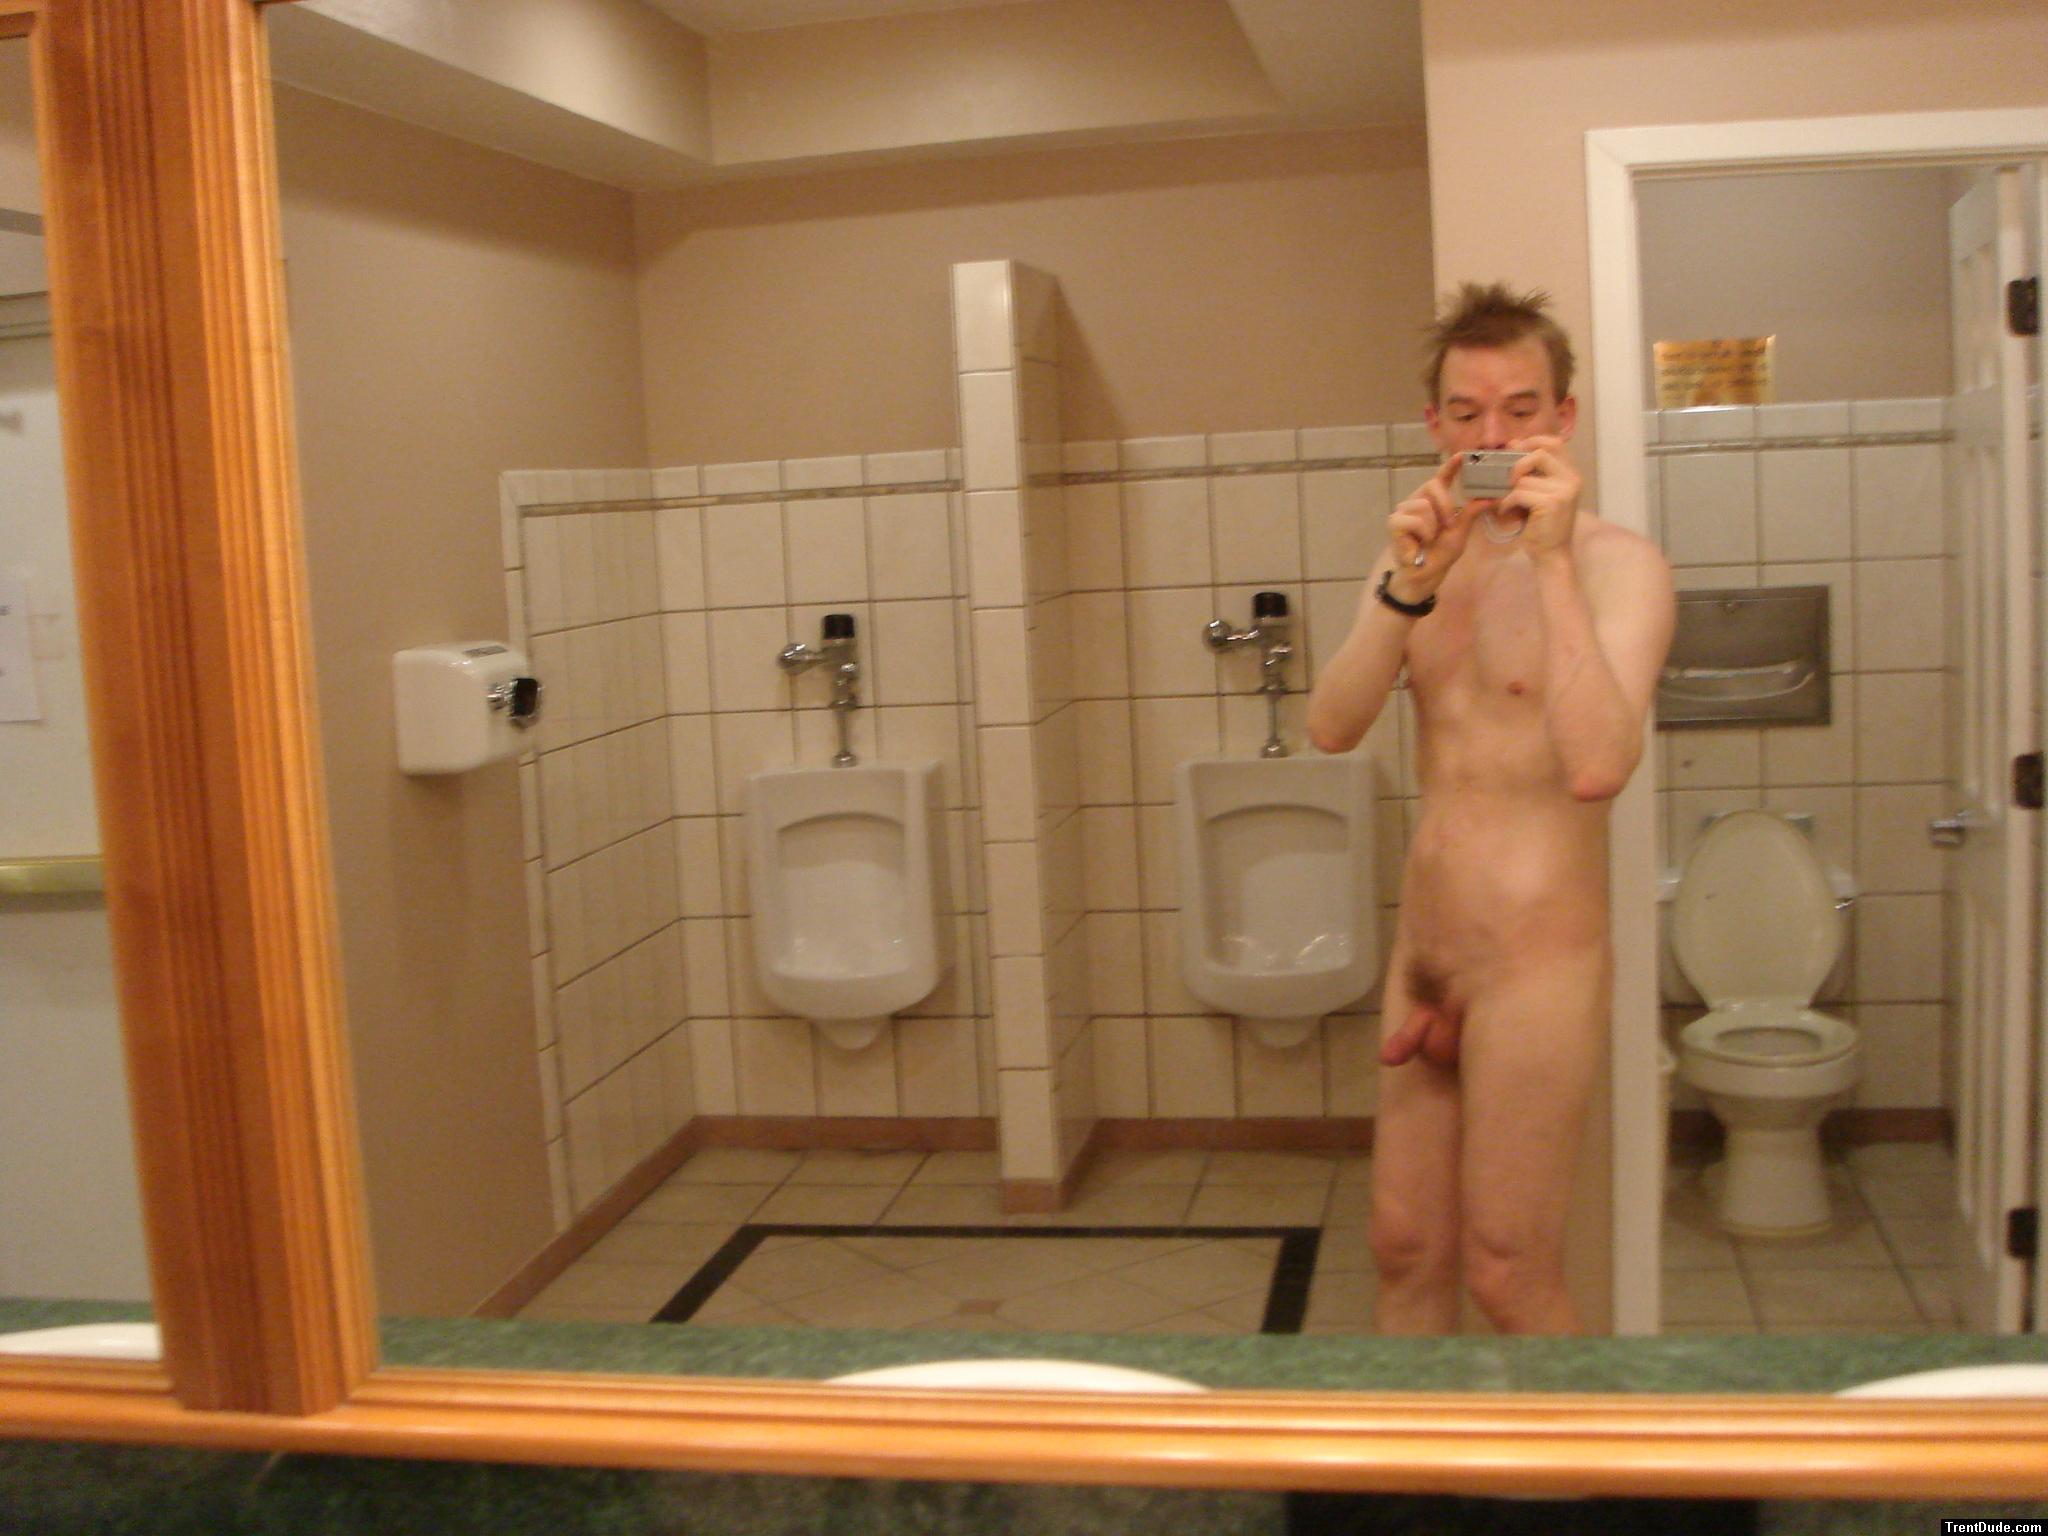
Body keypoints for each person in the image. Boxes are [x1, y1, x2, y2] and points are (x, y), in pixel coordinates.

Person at [1306, 282, 1675, 1335]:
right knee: (1402, 1249)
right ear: (1434, 426)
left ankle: (1577, 1457)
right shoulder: (1414, 562)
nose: (1495, 438)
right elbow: (1330, 726)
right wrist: (1407, 587)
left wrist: (1548, 562)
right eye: (1467, 414)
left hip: (1535, 967)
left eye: (1520, 410)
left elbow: (1598, 764)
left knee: (1507, 1269)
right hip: (1424, 954)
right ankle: (1420, 1454)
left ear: (1564, 417)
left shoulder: (1619, 568)